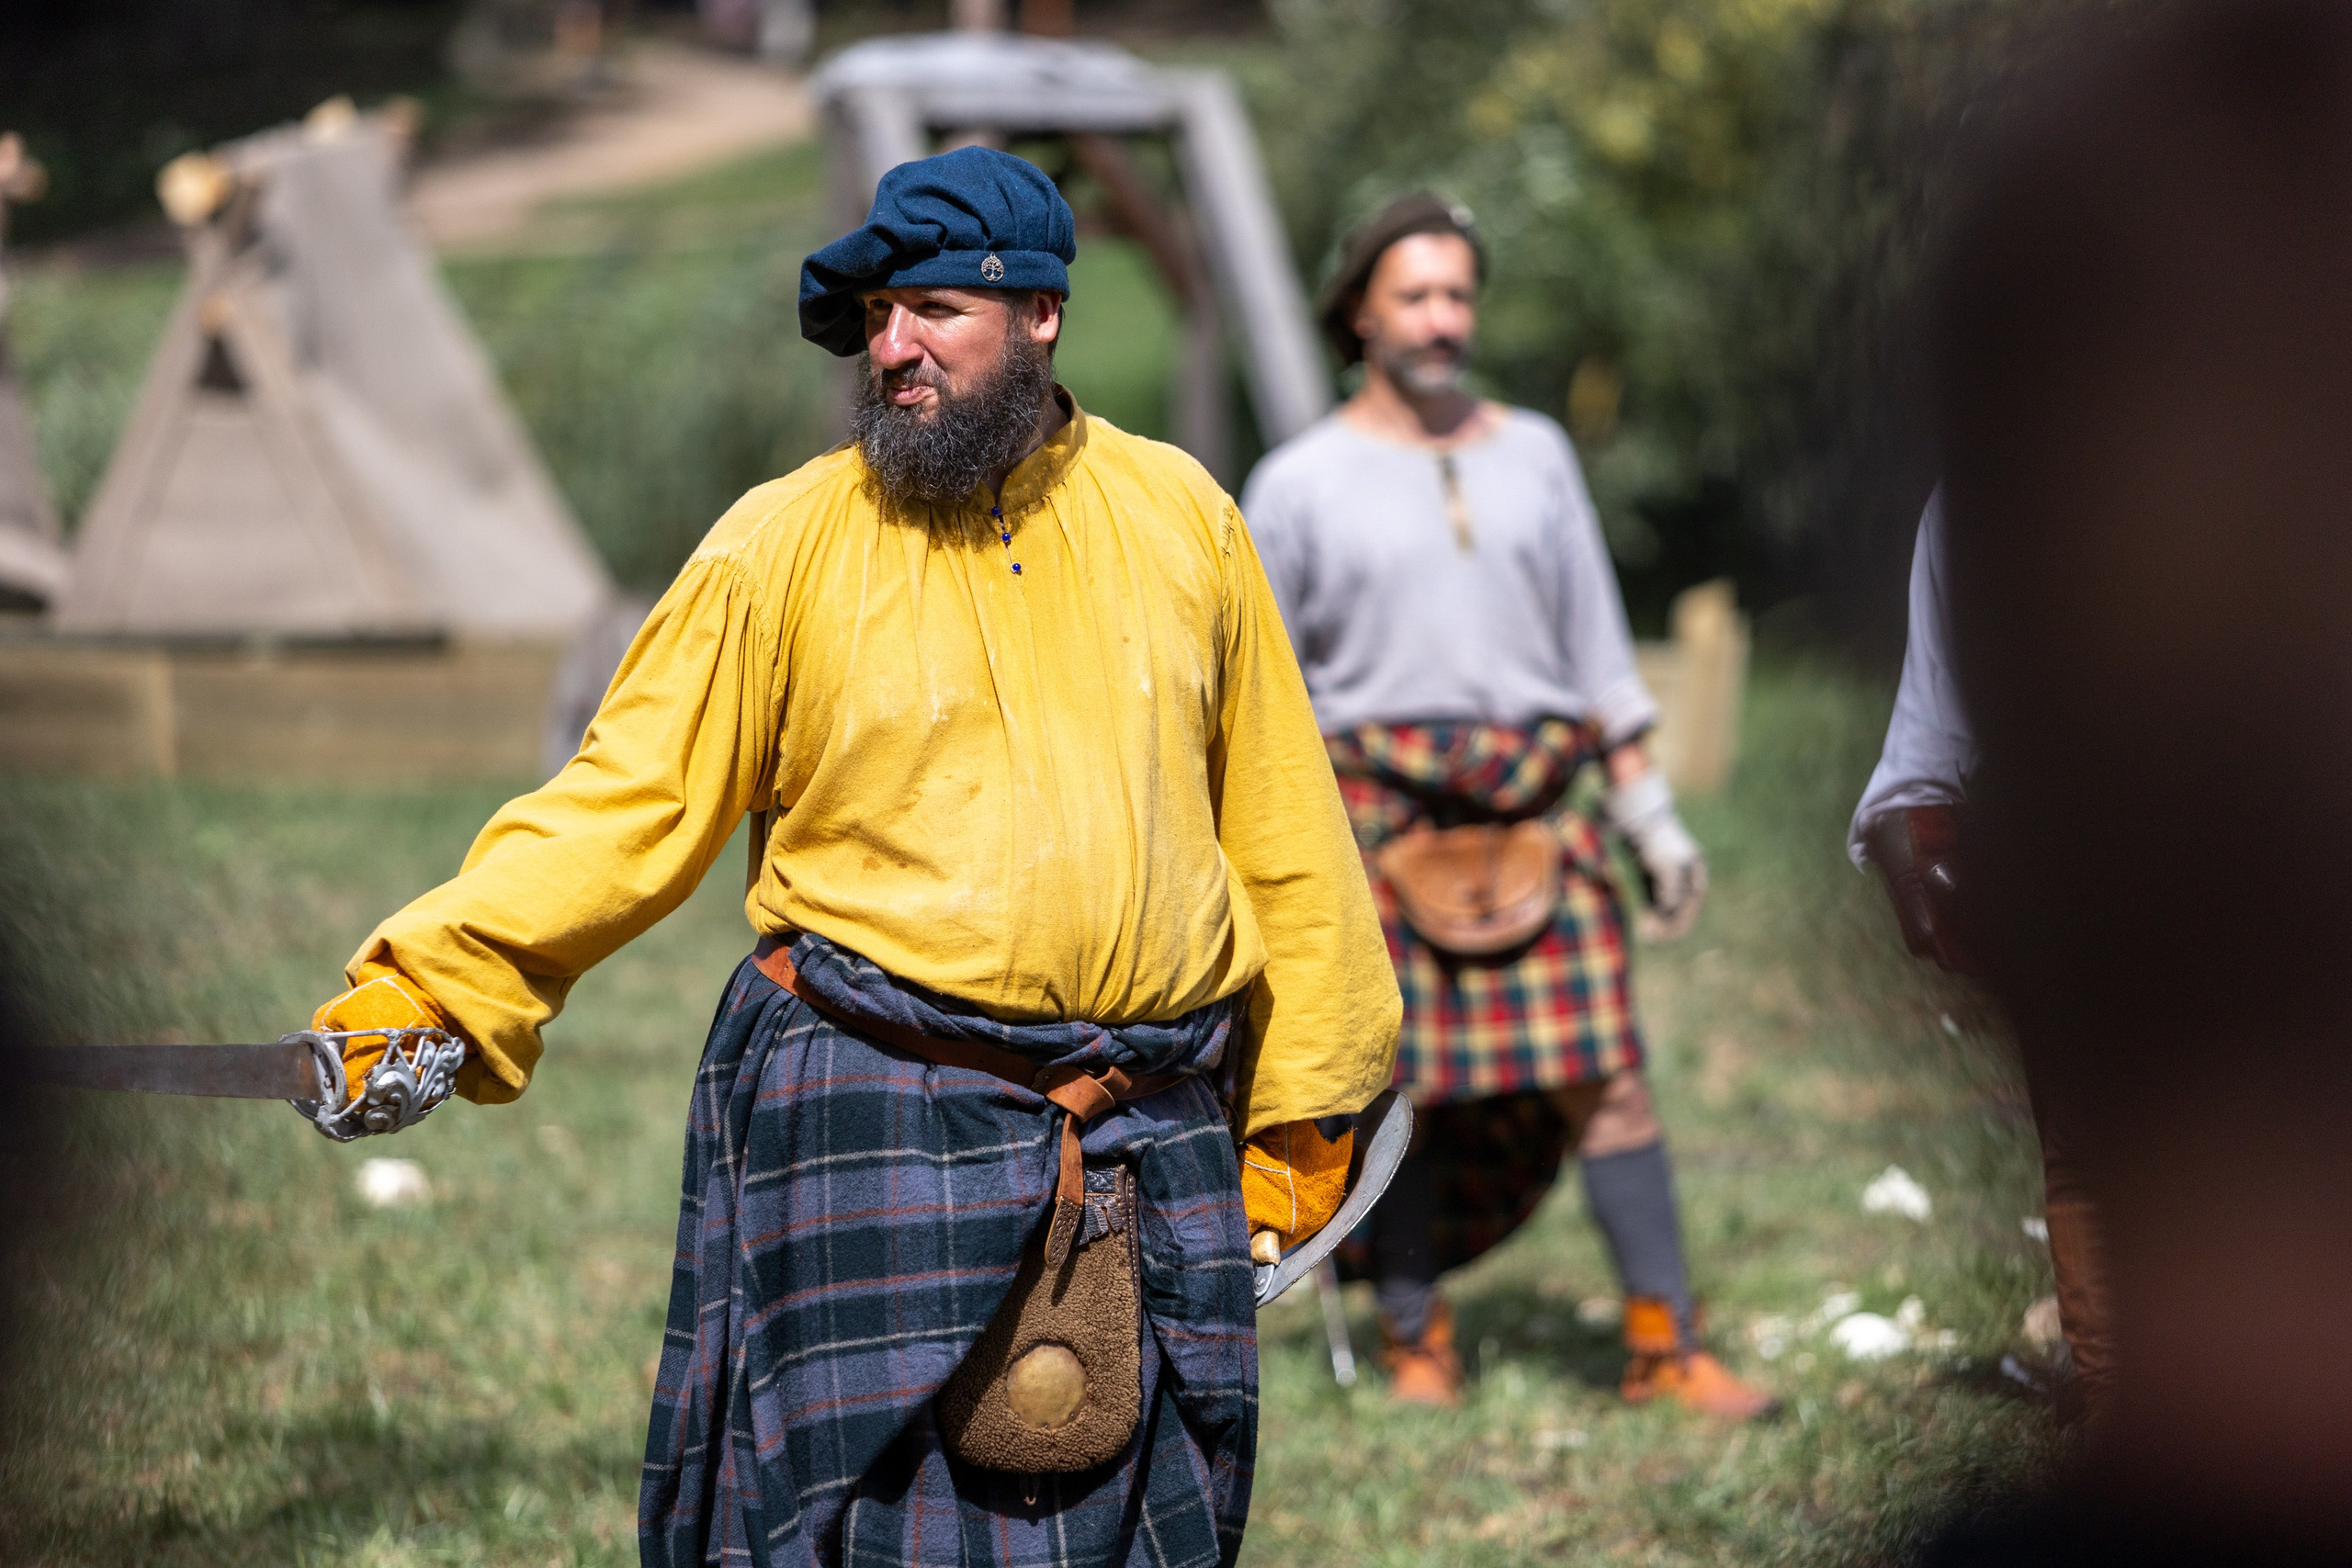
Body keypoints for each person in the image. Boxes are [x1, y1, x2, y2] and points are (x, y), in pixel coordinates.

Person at [306, 147, 1400, 1568]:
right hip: (876, 1099)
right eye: (879, 317)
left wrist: (1310, 1099)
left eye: (935, 309)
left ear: (1042, 314)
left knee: (1153, 1529)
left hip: (1147, 1109)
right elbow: (619, 803)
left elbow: (1285, 826)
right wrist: (429, 992)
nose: (894, 348)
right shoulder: (785, 544)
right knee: (866, 1538)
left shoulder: (1185, 516)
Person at [1240, 192, 1772, 1418]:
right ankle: (1419, 1340)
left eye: (1458, 294)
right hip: (1377, 814)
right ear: (1358, 313)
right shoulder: (1299, 481)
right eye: (1415, 294)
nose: (1442, 318)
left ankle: (1663, 1343)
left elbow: (1594, 646)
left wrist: (1649, 814)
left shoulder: (1534, 451)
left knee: (1614, 1079)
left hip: (1542, 805)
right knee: (1403, 1098)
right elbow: (1263, 691)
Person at [1849, 492, 2113, 1409]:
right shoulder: (1987, 487)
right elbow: (1935, 710)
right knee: (2094, 1158)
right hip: (2079, 863)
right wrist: (1919, 855)